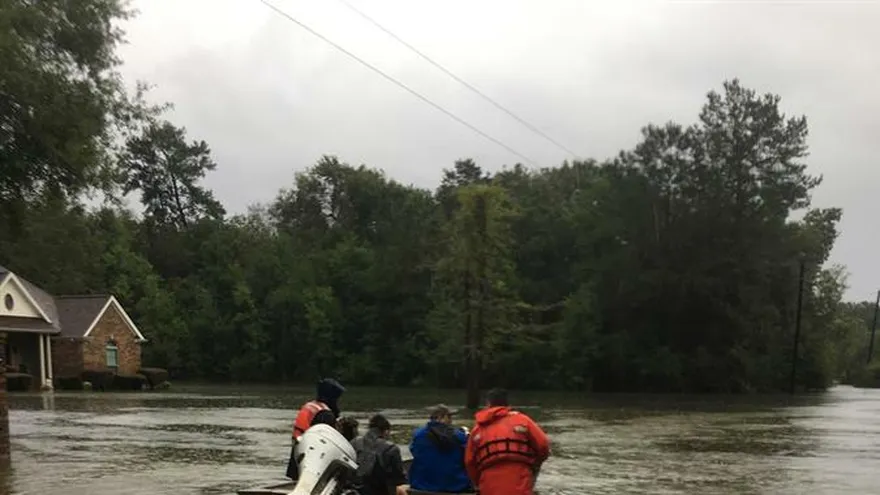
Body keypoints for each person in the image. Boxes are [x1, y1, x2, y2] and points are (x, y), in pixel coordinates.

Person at [464, 388, 550, 495]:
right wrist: (534, 465)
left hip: (488, 484)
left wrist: (478, 483)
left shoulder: (477, 429)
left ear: (488, 404)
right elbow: (543, 445)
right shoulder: (523, 420)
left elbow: (469, 462)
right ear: (507, 404)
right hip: (520, 480)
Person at [286, 378, 346, 479]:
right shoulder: (326, 414)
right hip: (310, 460)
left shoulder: (310, 406)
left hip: (297, 454)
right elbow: (328, 444)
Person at [408, 404, 472, 493]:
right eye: (449, 417)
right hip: (456, 485)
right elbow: (469, 456)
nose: (451, 420)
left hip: (422, 485)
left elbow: (413, 451)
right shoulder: (459, 436)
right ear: (440, 417)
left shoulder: (418, 435)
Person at [351, 414, 409, 495]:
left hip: (355, 489)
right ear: (386, 431)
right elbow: (398, 476)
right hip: (380, 490)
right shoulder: (391, 448)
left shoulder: (355, 442)